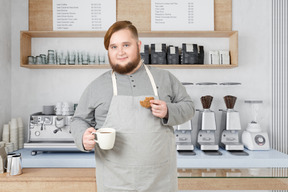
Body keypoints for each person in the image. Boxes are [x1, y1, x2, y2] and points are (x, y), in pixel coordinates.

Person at [71, 20, 195, 192]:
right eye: (113, 47)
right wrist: (83, 137)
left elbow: (189, 107)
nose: (120, 52)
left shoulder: (164, 78)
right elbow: (78, 120)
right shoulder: (97, 86)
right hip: (114, 182)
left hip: (160, 181)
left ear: (138, 45)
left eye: (126, 45)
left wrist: (168, 111)